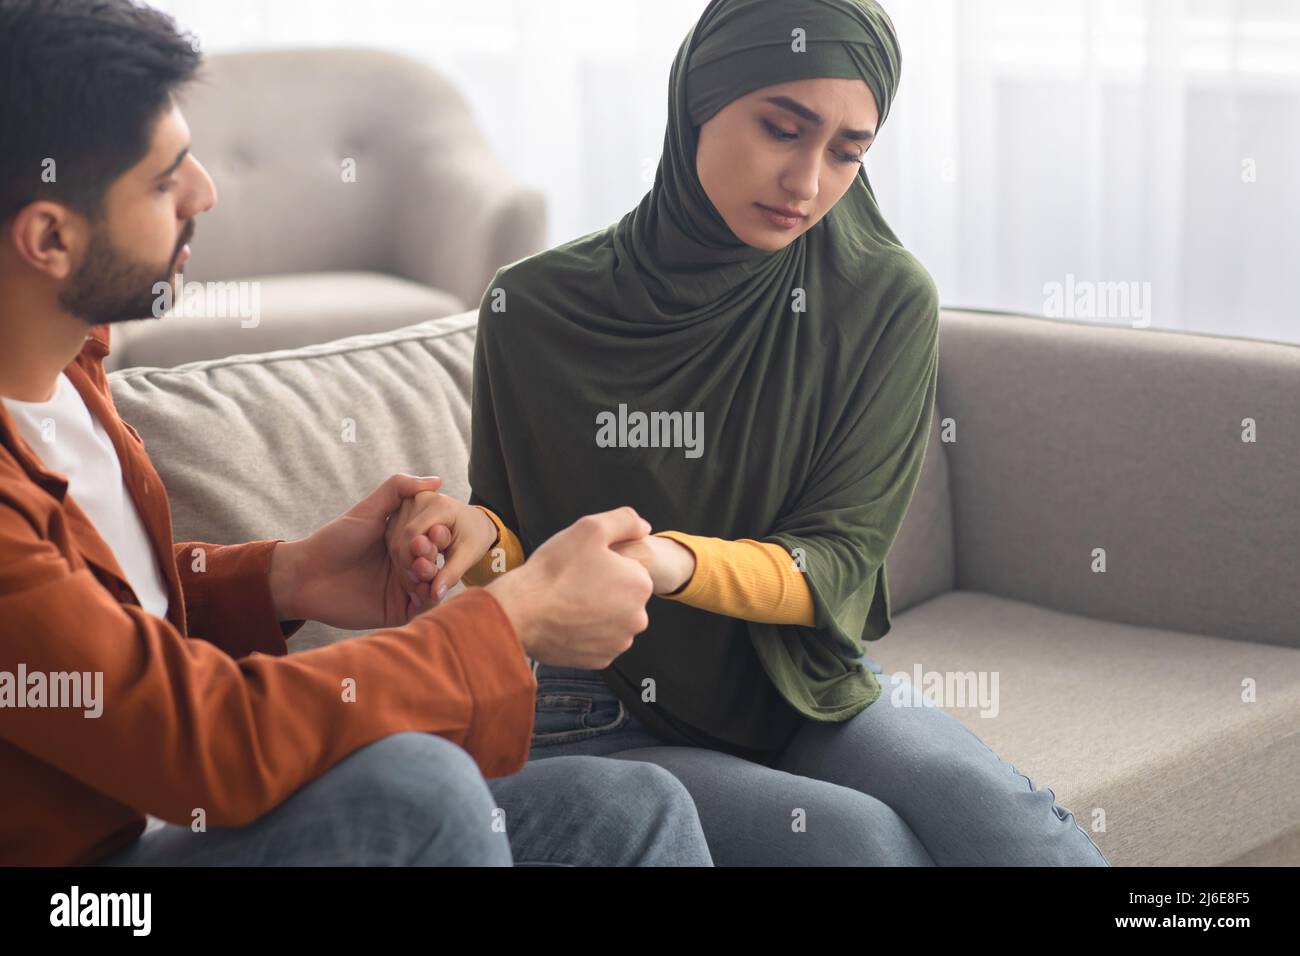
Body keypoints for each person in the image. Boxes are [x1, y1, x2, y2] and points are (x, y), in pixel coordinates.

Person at [390, 0, 1110, 865]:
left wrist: (670, 563)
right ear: (699, 98)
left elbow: (837, 561)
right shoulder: (532, 306)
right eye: (782, 129)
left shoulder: (880, 298)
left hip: (796, 678)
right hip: (598, 712)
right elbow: (521, 548)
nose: (808, 183)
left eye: (848, 151)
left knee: (1006, 824)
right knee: (865, 849)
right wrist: (467, 541)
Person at [0, 0, 712, 868]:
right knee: (414, 794)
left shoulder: (68, 375)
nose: (206, 193)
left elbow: (105, 630)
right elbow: (203, 744)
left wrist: (282, 578)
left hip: (176, 825)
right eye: (162, 181)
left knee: (629, 811)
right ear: (48, 237)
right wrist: (508, 620)